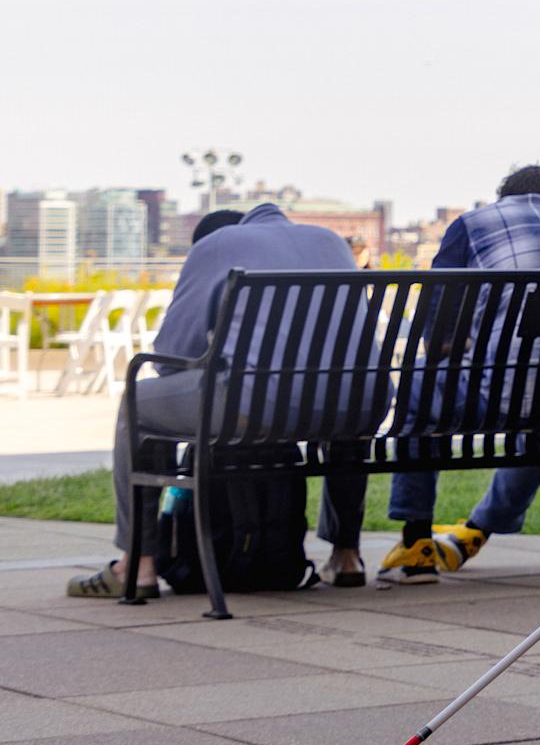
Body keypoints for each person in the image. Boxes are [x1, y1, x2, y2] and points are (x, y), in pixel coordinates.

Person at [68, 204, 373, 599]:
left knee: (136, 404)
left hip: (254, 405)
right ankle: (346, 556)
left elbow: (173, 353)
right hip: (359, 402)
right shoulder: (330, 242)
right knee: (337, 401)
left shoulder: (218, 245)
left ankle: (137, 564)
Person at [375, 164, 540, 583]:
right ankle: (478, 529)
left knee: (418, 383)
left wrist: (456, 346)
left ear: (503, 197)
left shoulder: (474, 224)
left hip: (506, 396)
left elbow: (437, 326)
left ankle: (415, 545)